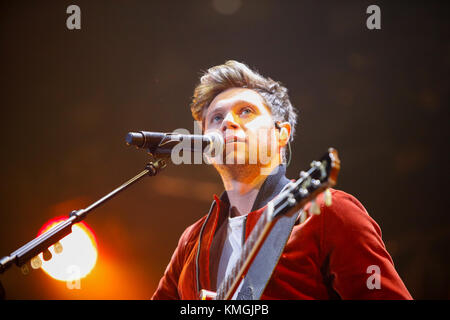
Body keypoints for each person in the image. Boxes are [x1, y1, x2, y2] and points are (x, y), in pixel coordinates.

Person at [151, 60, 412, 300]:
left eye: (245, 111)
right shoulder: (192, 241)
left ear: (281, 134)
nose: (227, 122)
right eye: (216, 118)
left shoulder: (328, 213)